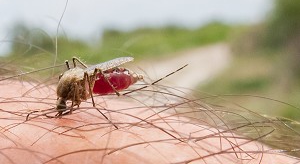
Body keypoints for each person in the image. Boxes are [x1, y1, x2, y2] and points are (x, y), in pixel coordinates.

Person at [1, 80, 299, 163]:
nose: (63, 109)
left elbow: (77, 82)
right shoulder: (62, 94)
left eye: (61, 106)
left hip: (85, 77)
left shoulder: (70, 91)